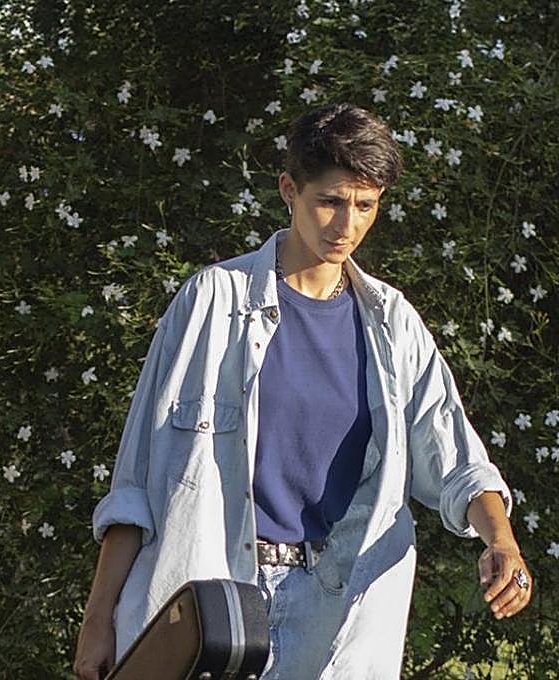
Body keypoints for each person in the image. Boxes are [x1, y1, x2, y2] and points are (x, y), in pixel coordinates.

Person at [73, 104, 533, 679]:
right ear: (289, 189)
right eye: (331, 201)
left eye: (365, 206)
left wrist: (502, 542)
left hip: (340, 609)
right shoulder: (211, 302)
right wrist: (98, 620)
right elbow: (138, 479)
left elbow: (456, 459)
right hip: (214, 600)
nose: (347, 225)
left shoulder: (394, 325)